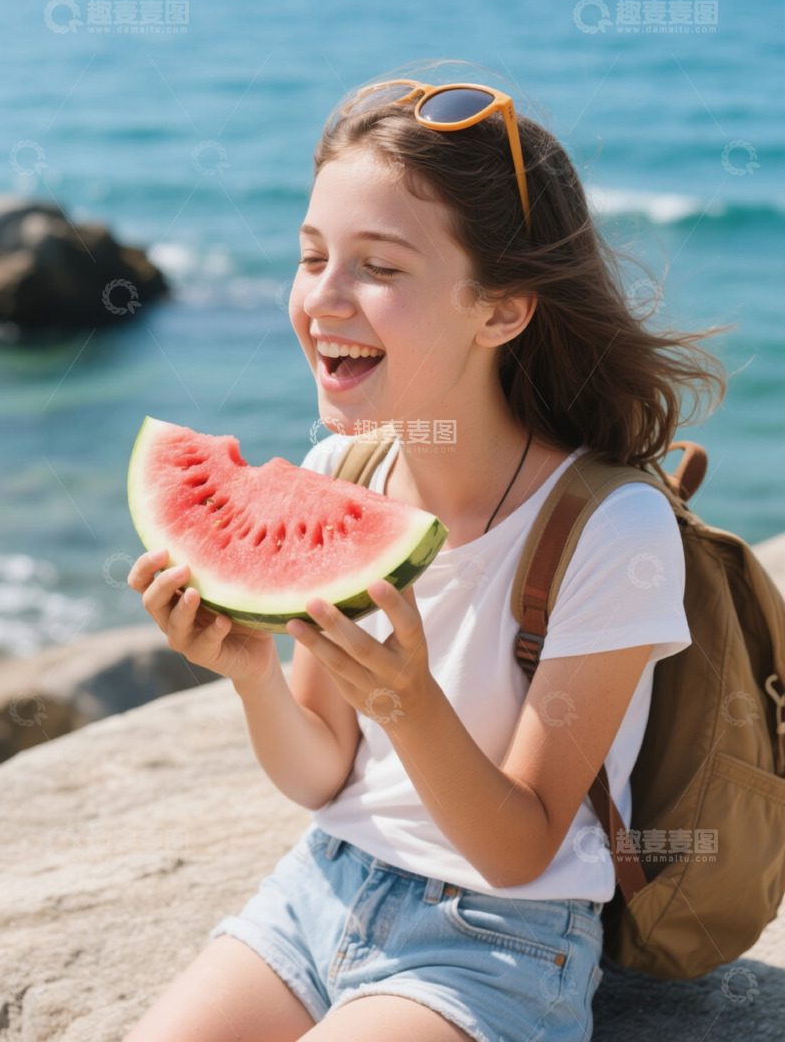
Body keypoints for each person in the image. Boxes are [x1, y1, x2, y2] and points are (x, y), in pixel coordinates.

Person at [123, 67, 728, 1042]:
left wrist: (408, 704)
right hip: (317, 888)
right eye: (310, 254)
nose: (323, 296)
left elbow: (519, 847)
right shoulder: (342, 470)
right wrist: (251, 677)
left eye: (379, 267)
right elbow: (323, 773)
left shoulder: (608, 529)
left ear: (499, 310)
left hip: (492, 944)